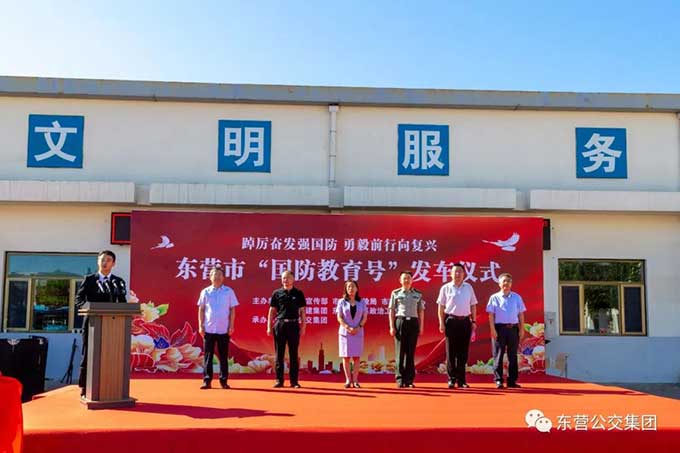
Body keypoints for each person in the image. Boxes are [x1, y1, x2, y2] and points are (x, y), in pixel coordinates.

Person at [76, 250, 130, 398]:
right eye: (102, 260)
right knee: (88, 354)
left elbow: (122, 303)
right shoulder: (89, 279)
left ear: (114, 263)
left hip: (112, 325)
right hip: (92, 323)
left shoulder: (117, 281)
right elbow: (78, 299)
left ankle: (112, 387)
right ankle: (85, 387)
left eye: (108, 260)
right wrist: (87, 308)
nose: (105, 262)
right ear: (98, 262)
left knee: (111, 354)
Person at [437, 263, 478, 389]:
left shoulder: (468, 287)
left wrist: (474, 321)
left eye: (460, 271)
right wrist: (441, 322)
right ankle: (451, 379)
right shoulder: (446, 288)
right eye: (455, 271)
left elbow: (473, 305)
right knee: (451, 352)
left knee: (463, 352)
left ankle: (461, 380)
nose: (457, 274)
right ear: (450, 274)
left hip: (465, 321)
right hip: (451, 321)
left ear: (464, 274)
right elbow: (441, 307)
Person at [197, 267, 239, 389]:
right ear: (210, 277)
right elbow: (201, 309)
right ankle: (207, 380)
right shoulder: (205, 292)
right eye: (215, 274)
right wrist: (200, 325)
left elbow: (232, 309)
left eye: (220, 274)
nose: (217, 277)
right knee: (208, 356)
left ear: (223, 277)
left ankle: (223, 381)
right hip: (209, 328)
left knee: (223, 356)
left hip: (223, 329)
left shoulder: (228, 291)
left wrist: (231, 325)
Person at [267, 270, 306, 388]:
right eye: (284, 278)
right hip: (280, 325)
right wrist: (269, 326)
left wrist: (303, 326)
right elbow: (272, 311)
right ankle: (279, 380)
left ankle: (294, 381)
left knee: (294, 354)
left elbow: (302, 311)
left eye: (288, 278)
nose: (286, 280)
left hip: (294, 325)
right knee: (279, 354)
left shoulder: (298, 293)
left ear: (293, 279)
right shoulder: (277, 293)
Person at [486, 273, 526, 389]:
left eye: (508, 281)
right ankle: (498, 380)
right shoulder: (494, 297)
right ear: (499, 283)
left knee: (512, 355)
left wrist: (522, 329)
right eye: (504, 281)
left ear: (511, 284)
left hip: (513, 329)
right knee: (498, 355)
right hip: (499, 329)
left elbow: (521, 314)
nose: (506, 283)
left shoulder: (517, 297)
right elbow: (491, 315)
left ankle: (512, 381)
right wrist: (492, 329)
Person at [388, 271, 425, 388]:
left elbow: (421, 311)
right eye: (404, 278)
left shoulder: (417, 294)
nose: (406, 280)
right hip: (400, 322)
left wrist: (421, 326)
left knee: (410, 352)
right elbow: (391, 310)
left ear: (412, 280)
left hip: (413, 323)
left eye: (409, 278)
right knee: (400, 352)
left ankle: (409, 380)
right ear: (400, 280)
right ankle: (400, 379)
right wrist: (392, 326)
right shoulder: (395, 293)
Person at [336, 280, 368, 388]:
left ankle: (355, 380)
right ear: (346, 289)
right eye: (348, 287)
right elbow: (339, 317)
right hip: (345, 332)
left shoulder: (362, 302)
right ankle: (348, 380)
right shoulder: (341, 302)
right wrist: (347, 327)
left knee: (356, 357)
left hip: (358, 332)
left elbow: (364, 317)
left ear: (357, 288)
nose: (351, 289)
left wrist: (358, 327)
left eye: (353, 286)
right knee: (346, 357)